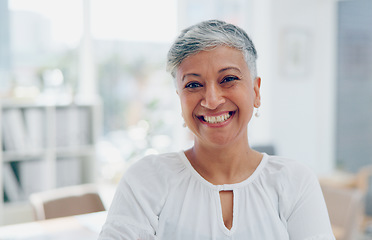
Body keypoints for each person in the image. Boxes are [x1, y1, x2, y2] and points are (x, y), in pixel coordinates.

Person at [98, 19, 335, 240]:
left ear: (256, 91)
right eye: (193, 85)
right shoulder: (146, 181)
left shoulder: (294, 182)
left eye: (228, 79)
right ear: (179, 98)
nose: (211, 100)